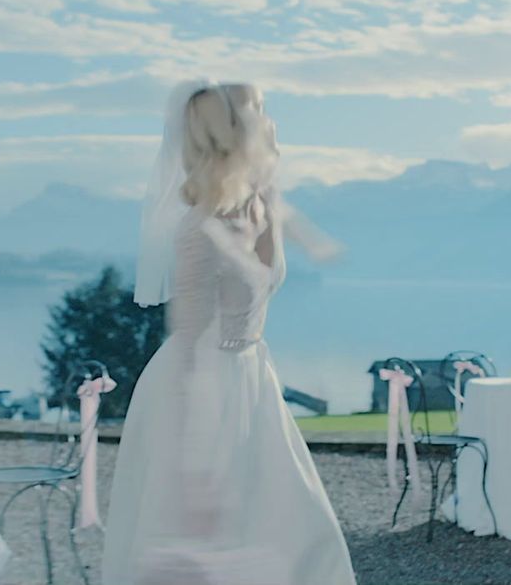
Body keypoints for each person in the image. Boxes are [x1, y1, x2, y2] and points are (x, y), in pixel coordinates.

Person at [101, 81, 355, 585]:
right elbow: (190, 343)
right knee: (219, 535)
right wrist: (192, 454)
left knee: (293, 524)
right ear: (234, 132)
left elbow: (296, 229)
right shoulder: (199, 230)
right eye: (261, 112)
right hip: (199, 385)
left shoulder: (262, 198)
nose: (272, 122)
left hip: (251, 373)